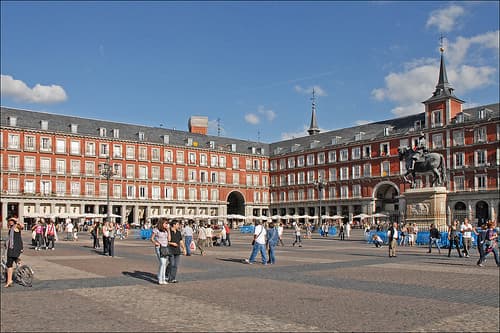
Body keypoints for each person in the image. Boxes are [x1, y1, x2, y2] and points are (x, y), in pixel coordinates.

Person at [4, 217, 24, 287]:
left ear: (14, 221)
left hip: (14, 248)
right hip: (12, 248)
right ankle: (10, 280)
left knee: (9, 264)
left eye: (11, 221)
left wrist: (16, 220)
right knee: (11, 262)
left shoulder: (16, 227)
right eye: (9, 221)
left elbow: (22, 226)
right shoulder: (11, 229)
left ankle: (9, 281)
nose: (10, 222)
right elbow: (10, 238)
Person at [151, 219, 170, 284]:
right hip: (159, 247)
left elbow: (169, 239)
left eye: (167, 223)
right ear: (161, 223)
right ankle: (160, 279)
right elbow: (152, 238)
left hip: (165, 247)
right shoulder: (156, 229)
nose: (166, 225)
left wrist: (168, 230)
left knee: (164, 263)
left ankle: (162, 278)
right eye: (165, 223)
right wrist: (155, 242)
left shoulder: (165, 230)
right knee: (162, 262)